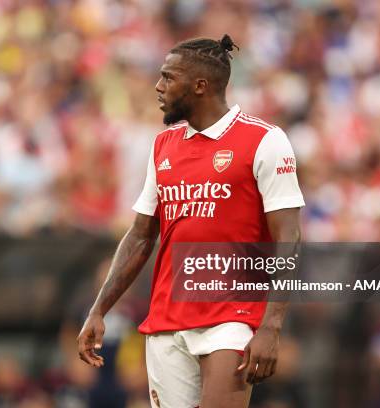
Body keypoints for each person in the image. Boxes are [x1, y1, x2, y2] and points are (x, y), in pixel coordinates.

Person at [77, 34, 304, 408]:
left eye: (168, 77)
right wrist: (99, 308)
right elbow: (139, 236)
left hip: (233, 315)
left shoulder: (264, 140)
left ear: (200, 85)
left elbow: (289, 237)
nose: (158, 85)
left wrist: (271, 325)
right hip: (167, 319)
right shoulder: (164, 144)